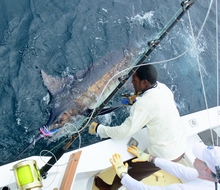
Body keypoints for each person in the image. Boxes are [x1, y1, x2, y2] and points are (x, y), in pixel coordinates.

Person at [89, 64, 187, 189]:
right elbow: (155, 106)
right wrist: (136, 98)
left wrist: (99, 128)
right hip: (179, 142)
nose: (131, 82)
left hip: (166, 154)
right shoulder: (163, 88)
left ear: (145, 82)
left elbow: (123, 132)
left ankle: (110, 189)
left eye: (134, 80)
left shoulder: (143, 105)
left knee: (128, 171)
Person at [110, 142, 220, 189]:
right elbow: (180, 169)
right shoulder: (209, 178)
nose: (196, 157)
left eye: (201, 157)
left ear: (207, 170)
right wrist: (150, 158)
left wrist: (123, 174)